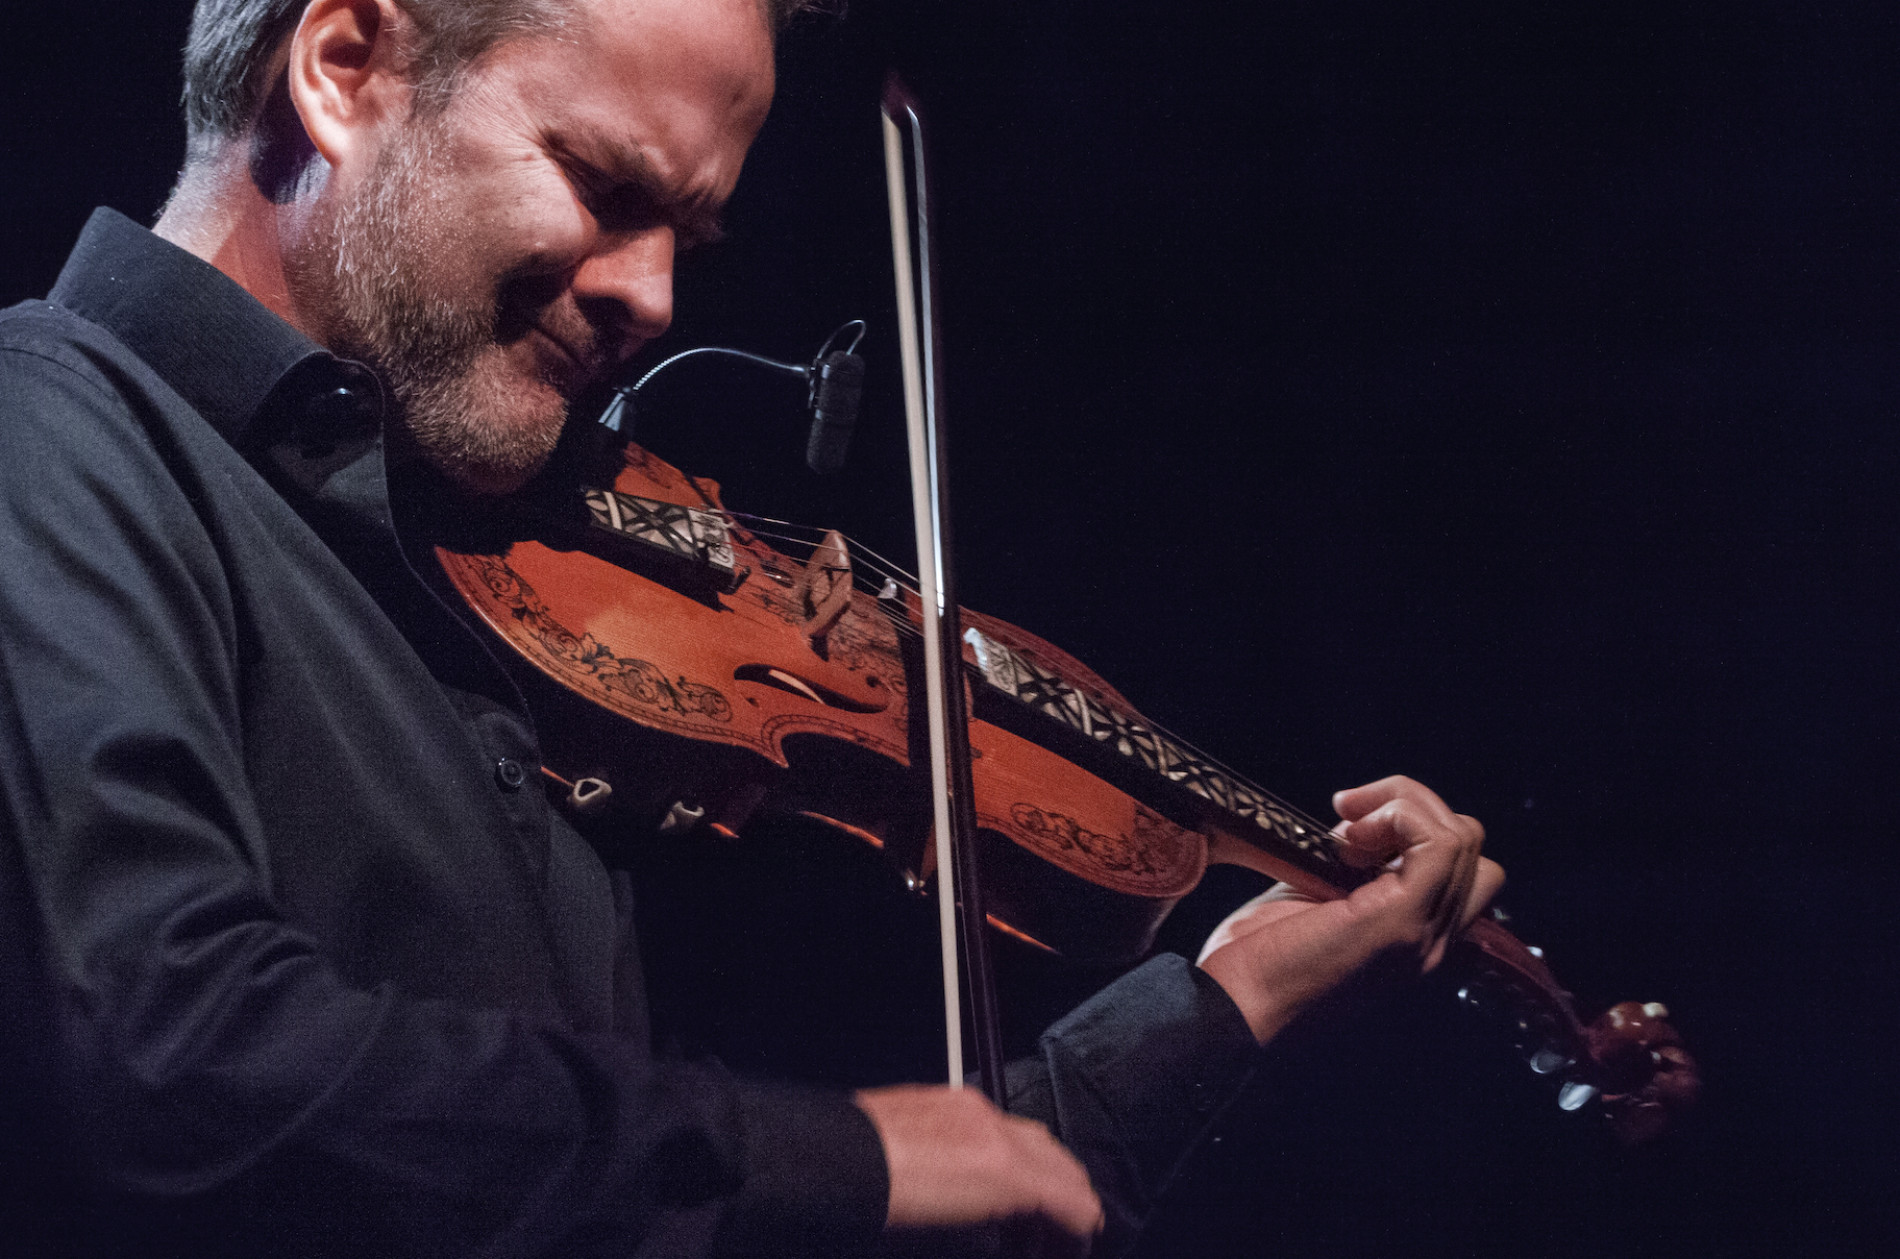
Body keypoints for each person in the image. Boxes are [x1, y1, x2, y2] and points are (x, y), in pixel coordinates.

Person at [0, 0, 1503, 1254]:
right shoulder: (46, 438)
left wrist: (1236, 992)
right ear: (343, 67)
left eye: (692, 239)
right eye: (603, 187)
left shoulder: (486, 565)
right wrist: (829, 1156)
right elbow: (161, 1058)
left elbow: (647, 1208)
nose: (652, 294)